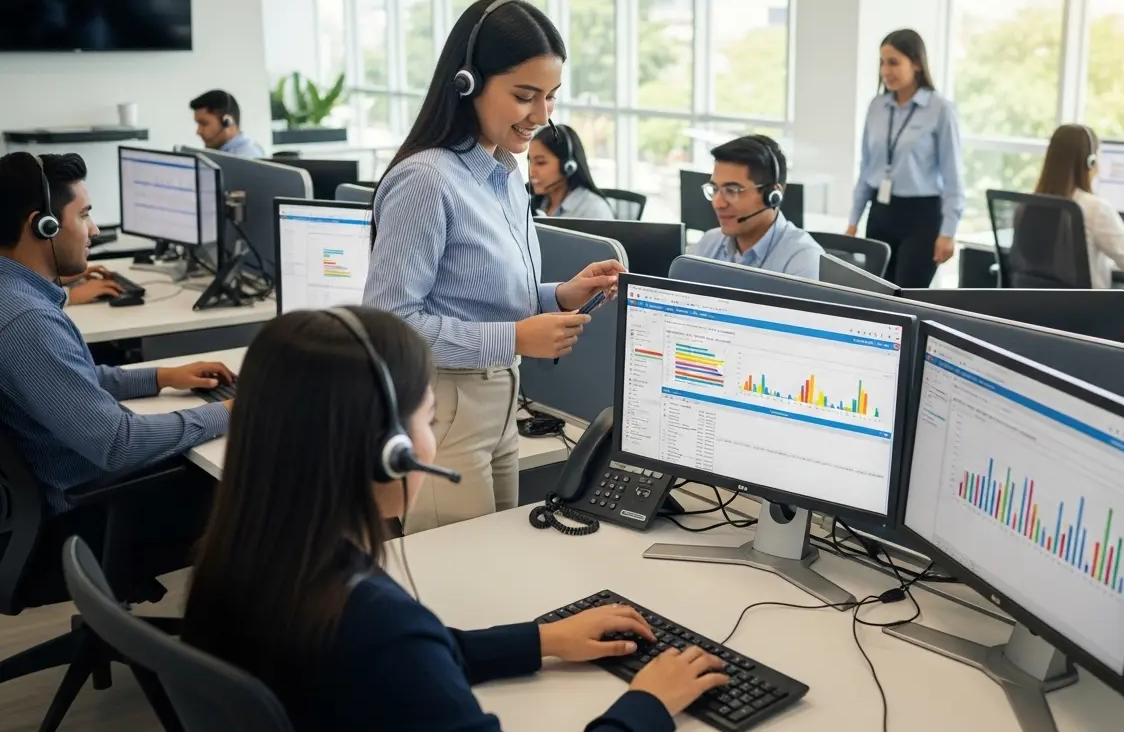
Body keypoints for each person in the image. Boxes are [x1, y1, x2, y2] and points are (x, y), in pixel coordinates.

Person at [182, 307, 729, 732]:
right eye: (430, 417)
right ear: (388, 452)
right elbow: (399, 651)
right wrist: (646, 705)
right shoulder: (376, 623)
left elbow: (409, 659)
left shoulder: (247, 554)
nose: (432, 435)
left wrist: (541, 639)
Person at [364, 0, 624, 531]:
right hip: (444, 408)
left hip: (501, 403)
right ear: (466, 83)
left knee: (497, 560)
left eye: (551, 97)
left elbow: (477, 294)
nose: (542, 116)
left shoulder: (504, 169)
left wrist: (557, 295)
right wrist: (514, 338)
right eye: (525, 96)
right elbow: (390, 327)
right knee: (457, 583)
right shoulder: (427, 180)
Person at [0, 152, 234, 599]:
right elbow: (117, 443)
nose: (95, 231)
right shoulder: (26, 320)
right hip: (79, 519)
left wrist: (162, 375)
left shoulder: (11, 296)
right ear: (42, 225)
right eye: (84, 215)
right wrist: (232, 410)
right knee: (265, 490)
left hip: (46, 507)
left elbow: (67, 380)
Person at [847, 29, 965, 288]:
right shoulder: (876, 107)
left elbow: (953, 176)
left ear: (917, 64)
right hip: (880, 214)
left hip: (921, 217)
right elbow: (867, 168)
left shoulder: (940, 110)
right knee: (877, 297)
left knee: (908, 298)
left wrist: (948, 232)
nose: (885, 71)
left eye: (894, 62)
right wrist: (853, 221)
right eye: (882, 63)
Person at [686, 134, 823, 280]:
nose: (717, 203)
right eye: (714, 189)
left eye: (732, 191)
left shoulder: (803, 263)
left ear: (772, 195)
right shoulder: (708, 244)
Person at [1033, 124, 1124, 290]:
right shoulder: (1095, 209)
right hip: (1085, 311)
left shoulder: (1028, 205)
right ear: (1090, 162)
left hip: (1033, 309)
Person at [530, 123, 615, 219]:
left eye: (540, 163)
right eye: (530, 162)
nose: (531, 172)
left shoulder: (594, 211)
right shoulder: (535, 205)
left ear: (568, 166)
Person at [190, 90, 265, 158]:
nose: (198, 132)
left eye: (204, 124)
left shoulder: (246, 157)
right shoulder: (219, 155)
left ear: (227, 122)